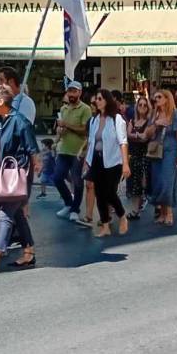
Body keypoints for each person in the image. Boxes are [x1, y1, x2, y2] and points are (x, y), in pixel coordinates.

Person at [0, 84, 40, 272]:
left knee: (6, 214)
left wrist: (36, 166)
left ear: (0, 102)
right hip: (4, 174)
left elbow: (32, 149)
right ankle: (29, 252)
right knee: (17, 215)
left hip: (18, 175)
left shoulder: (20, 121)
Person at [82, 89, 130, 237]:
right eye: (96, 99)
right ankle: (105, 225)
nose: (97, 101)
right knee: (99, 193)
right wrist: (87, 161)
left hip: (113, 161)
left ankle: (122, 216)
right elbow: (91, 142)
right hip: (97, 159)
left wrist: (125, 163)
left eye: (100, 99)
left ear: (107, 101)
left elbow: (123, 142)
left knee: (109, 192)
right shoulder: (94, 120)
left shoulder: (116, 119)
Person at [52, 80, 91, 222]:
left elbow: (85, 130)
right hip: (64, 149)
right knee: (57, 177)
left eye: (74, 91)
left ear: (80, 93)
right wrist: (59, 131)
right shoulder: (63, 109)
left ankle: (75, 209)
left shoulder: (85, 109)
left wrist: (66, 125)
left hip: (77, 151)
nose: (71, 94)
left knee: (77, 181)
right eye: (70, 91)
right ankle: (69, 203)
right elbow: (61, 128)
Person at [149, 89, 177, 226]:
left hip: (171, 151)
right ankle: (162, 213)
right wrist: (156, 124)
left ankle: (169, 213)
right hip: (156, 152)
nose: (156, 99)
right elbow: (149, 134)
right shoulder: (155, 114)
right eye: (155, 97)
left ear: (166, 99)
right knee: (158, 183)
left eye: (159, 97)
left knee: (167, 182)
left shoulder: (175, 114)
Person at [125, 94, 155, 219]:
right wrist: (138, 135)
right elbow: (128, 135)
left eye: (144, 105)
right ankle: (135, 209)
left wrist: (135, 135)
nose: (142, 107)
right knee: (132, 184)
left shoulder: (149, 122)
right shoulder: (132, 121)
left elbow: (145, 138)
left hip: (144, 156)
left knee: (141, 184)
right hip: (133, 156)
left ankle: (137, 209)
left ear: (148, 108)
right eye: (140, 105)